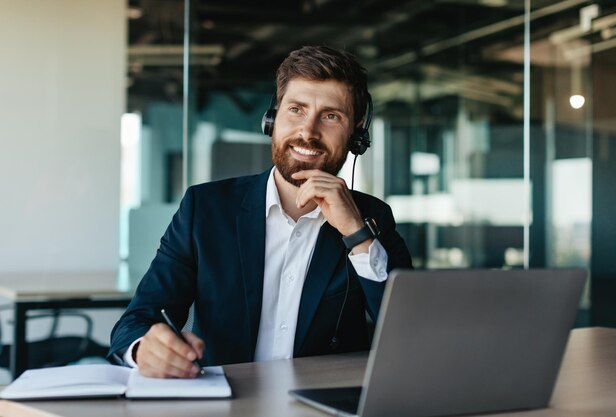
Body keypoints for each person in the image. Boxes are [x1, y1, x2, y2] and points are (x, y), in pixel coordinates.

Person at [109, 46, 412, 378]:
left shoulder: (373, 218)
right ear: (272, 119)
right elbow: (137, 321)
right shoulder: (205, 209)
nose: (308, 132)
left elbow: (412, 335)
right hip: (227, 405)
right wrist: (144, 350)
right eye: (296, 110)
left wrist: (357, 235)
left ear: (356, 134)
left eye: (330, 116)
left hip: (321, 405)